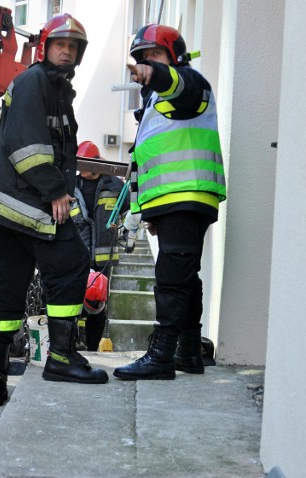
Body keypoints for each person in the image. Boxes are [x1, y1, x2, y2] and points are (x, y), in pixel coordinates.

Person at [0, 13, 109, 406]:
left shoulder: (53, 87)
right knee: (70, 263)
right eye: (60, 44)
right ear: (45, 47)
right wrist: (55, 192)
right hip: (28, 200)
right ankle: (61, 357)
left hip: (8, 206)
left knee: (10, 284)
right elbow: (25, 145)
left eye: (73, 47)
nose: (66, 52)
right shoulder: (35, 82)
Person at [113, 24, 226, 381]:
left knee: (171, 277)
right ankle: (189, 352)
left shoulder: (191, 84)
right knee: (185, 276)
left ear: (175, 56)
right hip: (176, 198)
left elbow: (180, 85)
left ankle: (161, 355)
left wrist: (157, 73)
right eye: (142, 59)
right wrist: (149, 210)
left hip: (186, 194)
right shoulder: (156, 106)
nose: (147, 64)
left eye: (155, 55)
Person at [73, 140, 129, 351]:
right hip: (78, 257)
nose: (82, 170)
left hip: (103, 262)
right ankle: (75, 344)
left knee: (97, 305)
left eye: (86, 165)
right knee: (74, 304)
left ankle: (91, 347)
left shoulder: (115, 185)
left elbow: (129, 207)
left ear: (96, 163)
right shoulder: (71, 185)